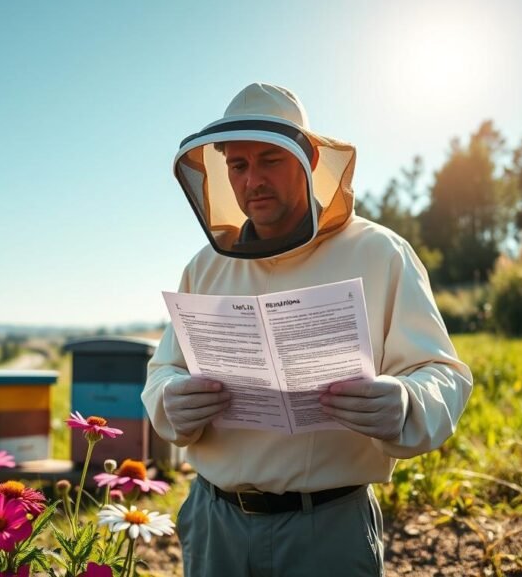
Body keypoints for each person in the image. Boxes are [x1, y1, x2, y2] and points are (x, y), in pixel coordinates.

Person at [141, 83, 473, 577]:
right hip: (214, 525)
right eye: (238, 165)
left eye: (270, 159)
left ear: (310, 158)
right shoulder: (205, 267)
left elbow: (443, 373)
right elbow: (164, 368)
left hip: (328, 530)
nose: (253, 180)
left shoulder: (380, 252)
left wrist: (405, 401)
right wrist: (170, 398)